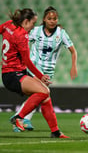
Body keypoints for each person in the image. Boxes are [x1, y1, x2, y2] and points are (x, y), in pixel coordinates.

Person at [0, 8, 69, 138]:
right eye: (33, 23)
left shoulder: (9, 24)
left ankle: (55, 132)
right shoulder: (22, 35)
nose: (33, 27)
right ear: (26, 21)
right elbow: (27, 61)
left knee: (45, 96)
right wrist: (41, 76)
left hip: (10, 73)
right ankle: (18, 117)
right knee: (44, 91)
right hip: (14, 75)